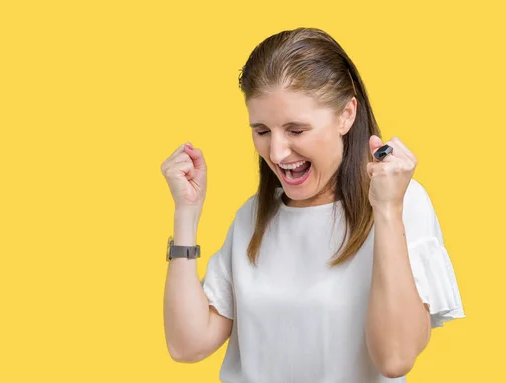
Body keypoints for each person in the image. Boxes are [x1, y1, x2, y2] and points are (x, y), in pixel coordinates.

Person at [160, 27, 465, 383]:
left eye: (296, 130)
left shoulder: (403, 203)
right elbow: (188, 345)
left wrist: (386, 210)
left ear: (346, 115)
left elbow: (395, 358)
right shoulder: (253, 216)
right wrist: (186, 213)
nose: (276, 152)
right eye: (261, 131)